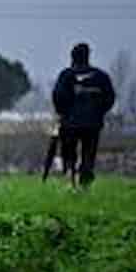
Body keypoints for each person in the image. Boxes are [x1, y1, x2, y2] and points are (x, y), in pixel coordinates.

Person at [52, 42, 116, 188]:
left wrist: (63, 113)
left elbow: (57, 97)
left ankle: (71, 178)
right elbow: (110, 98)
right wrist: (99, 112)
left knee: (69, 153)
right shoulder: (101, 77)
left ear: (72, 57)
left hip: (70, 124)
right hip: (93, 124)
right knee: (89, 153)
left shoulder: (66, 75)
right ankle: (85, 179)